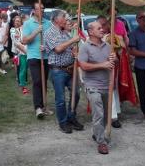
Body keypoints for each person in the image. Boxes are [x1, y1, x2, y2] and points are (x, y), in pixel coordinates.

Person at [79, 21, 117, 155]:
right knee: (98, 114)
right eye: (99, 28)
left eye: (102, 28)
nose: (102, 30)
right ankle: (101, 142)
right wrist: (103, 65)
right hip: (92, 86)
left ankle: (97, 133)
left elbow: (112, 63)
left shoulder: (108, 46)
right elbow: (83, 66)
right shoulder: (85, 47)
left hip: (107, 85)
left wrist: (114, 58)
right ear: (91, 32)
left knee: (106, 115)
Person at [44, 10, 84, 134]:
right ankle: (63, 122)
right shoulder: (49, 32)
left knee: (76, 94)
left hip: (70, 69)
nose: (66, 19)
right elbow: (58, 49)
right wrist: (73, 40)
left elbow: (70, 47)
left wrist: (74, 50)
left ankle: (71, 117)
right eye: (64, 17)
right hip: (58, 71)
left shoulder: (64, 32)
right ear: (56, 19)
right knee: (60, 99)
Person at [22, 2, 52, 119]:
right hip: (33, 56)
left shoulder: (48, 23)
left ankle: (44, 106)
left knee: (44, 81)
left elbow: (51, 40)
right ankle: (38, 107)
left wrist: (46, 46)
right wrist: (35, 32)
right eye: (40, 9)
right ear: (34, 11)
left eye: (43, 8)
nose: (43, 10)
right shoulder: (28, 23)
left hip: (45, 57)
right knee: (37, 81)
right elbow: (24, 41)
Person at [10, 15, 29, 94]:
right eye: (16, 21)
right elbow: (17, 41)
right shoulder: (13, 30)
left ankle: (23, 81)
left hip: (26, 51)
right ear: (14, 22)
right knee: (22, 69)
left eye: (19, 21)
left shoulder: (23, 28)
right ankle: (23, 86)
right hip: (20, 53)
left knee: (25, 68)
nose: (17, 22)